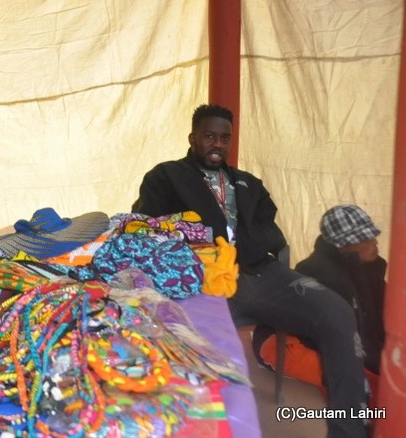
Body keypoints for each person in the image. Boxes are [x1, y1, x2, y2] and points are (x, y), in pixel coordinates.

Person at [132, 104, 368, 438]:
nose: (217, 144)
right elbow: (146, 230)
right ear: (193, 138)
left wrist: (254, 251)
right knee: (205, 350)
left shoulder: (247, 183)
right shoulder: (165, 176)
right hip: (203, 281)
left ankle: (350, 430)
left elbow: (270, 232)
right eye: (209, 136)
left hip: (260, 274)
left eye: (224, 138)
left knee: (338, 313)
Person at [253, 205, 386, 406]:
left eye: (372, 235)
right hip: (287, 344)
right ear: (344, 246)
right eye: (365, 238)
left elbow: (381, 318)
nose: (375, 242)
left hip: (337, 340)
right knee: (374, 391)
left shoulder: (367, 267)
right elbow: (341, 341)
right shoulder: (321, 275)